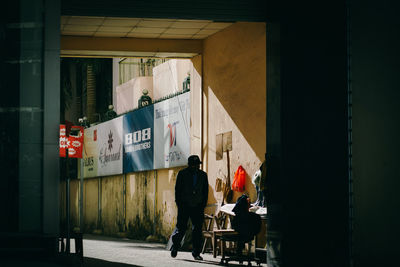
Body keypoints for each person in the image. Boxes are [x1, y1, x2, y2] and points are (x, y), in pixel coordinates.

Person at [170, 155, 209, 260]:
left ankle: (196, 252)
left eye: (197, 165)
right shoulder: (182, 174)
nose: (196, 167)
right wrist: (179, 204)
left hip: (198, 206)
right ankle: (175, 246)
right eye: (194, 165)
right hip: (184, 205)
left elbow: (205, 191)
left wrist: (202, 204)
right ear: (189, 165)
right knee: (181, 227)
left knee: (197, 230)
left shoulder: (203, 175)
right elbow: (177, 190)